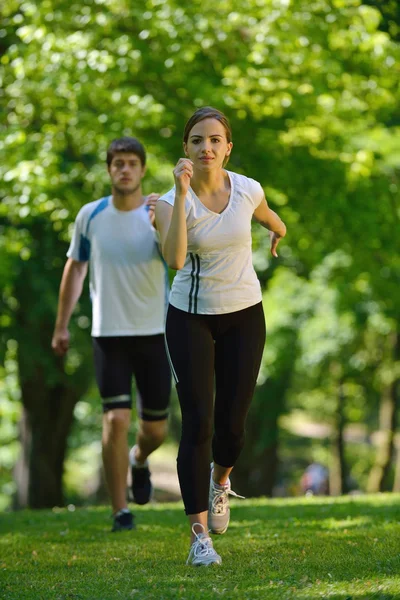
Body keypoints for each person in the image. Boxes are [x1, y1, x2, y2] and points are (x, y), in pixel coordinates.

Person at [155, 107, 287, 566]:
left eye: (215, 140)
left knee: (233, 425)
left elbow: (267, 216)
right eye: (196, 141)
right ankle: (198, 539)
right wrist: (180, 188)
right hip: (190, 317)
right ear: (185, 150)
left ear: (228, 147)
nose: (206, 147)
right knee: (199, 423)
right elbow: (173, 259)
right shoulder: (174, 202)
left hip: (245, 314)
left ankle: (221, 482)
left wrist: (278, 230)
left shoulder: (248, 189)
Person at [52, 137, 171, 532]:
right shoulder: (91, 215)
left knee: (156, 429)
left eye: (132, 163)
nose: (124, 169)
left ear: (141, 169)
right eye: (118, 163)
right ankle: (121, 511)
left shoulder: (159, 213)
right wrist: (61, 325)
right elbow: (75, 269)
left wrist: (162, 221)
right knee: (115, 419)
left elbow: (180, 257)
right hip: (109, 335)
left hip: (156, 333)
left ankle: (139, 459)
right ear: (109, 170)